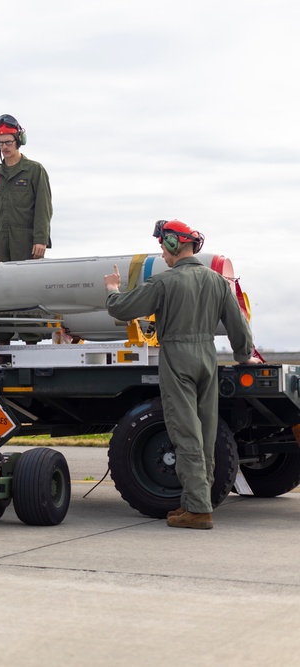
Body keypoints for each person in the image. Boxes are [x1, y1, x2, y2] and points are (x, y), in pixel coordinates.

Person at [103, 220, 259, 530]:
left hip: (178, 357)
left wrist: (112, 290)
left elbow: (122, 310)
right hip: (206, 356)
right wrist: (243, 356)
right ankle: (196, 502)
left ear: (175, 244)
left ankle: (198, 510)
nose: (161, 251)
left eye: (163, 244)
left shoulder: (164, 282)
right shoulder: (216, 282)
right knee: (206, 432)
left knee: (185, 432)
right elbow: (238, 325)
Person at [0, 114, 52, 265]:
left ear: (18, 141)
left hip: (25, 244)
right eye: (0, 143)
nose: (4, 147)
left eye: (8, 142)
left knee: (27, 285)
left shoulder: (34, 171)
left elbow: (44, 209)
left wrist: (41, 240)